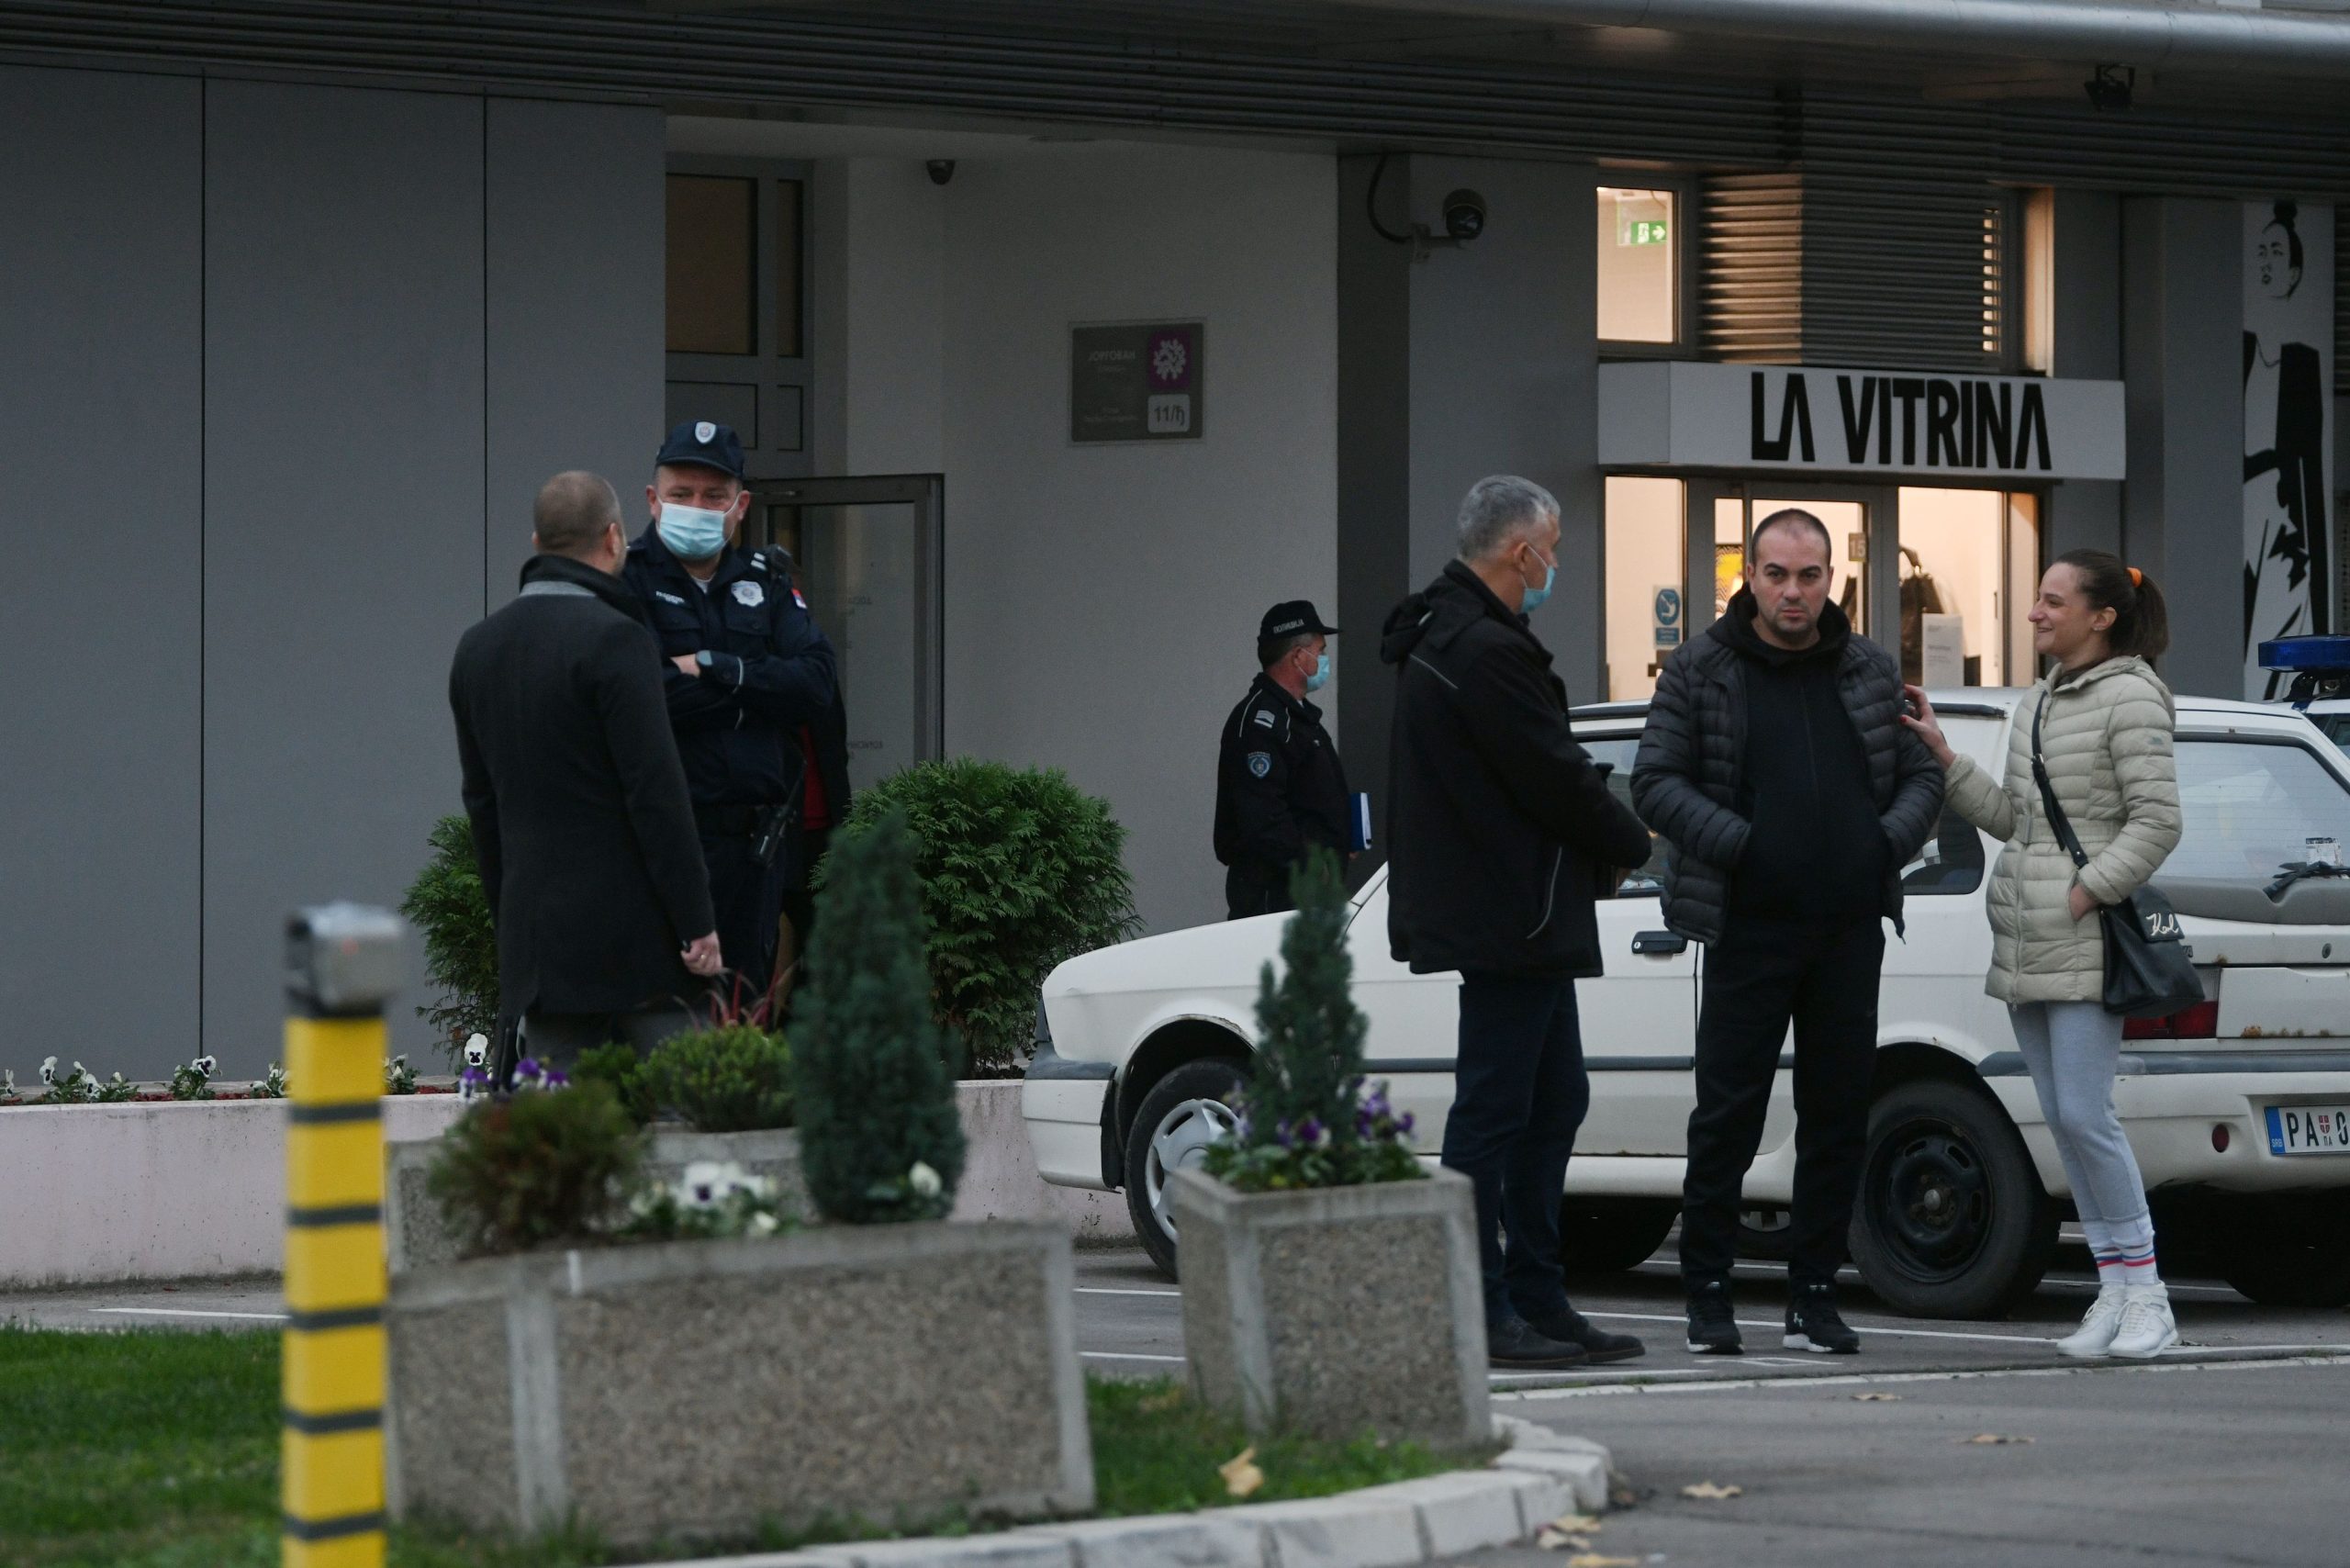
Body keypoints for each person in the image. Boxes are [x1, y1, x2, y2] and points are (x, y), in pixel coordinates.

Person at [1631, 509, 1942, 1357]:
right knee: (1726, 1116)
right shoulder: (1701, 667)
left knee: (1836, 1117)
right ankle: (1707, 1294)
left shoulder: (1870, 668)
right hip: (1747, 926)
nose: (1793, 592)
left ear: (1831, 579)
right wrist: (1743, 845)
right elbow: (1654, 781)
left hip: (1847, 928)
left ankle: (1814, 1296)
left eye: (1809, 576)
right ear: (1751, 576)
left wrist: (1882, 842)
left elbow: (1921, 774)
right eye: (1776, 575)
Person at [1382, 476, 1657, 1371]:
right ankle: (1483, 1306)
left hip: (1516, 909)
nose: (1555, 565)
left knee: (1551, 1100)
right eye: (1554, 548)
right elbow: (1552, 772)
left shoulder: (1455, 635)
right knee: (1498, 1111)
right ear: (1520, 552)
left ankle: (1536, 1296)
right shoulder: (1482, 649)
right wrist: (1633, 839)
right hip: (1512, 911)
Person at [1903, 551, 2183, 1359]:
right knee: (2062, 1120)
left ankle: (2149, 1295)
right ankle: (2114, 1288)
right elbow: (2014, 821)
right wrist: (1945, 758)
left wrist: (2087, 890)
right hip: (2029, 938)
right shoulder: (2041, 699)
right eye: (2038, 599)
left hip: (2080, 937)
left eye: (2054, 601)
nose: (2036, 613)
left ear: (2102, 616)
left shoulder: (2132, 695)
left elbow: (2158, 821)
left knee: (2087, 1118)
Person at [449, 472, 723, 1074]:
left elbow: (483, 807)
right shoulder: (618, 641)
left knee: (565, 1123)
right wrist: (696, 923)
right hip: (641, 952)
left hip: (544, 955)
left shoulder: (477, 649)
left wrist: (512, 929)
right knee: (682, 1109)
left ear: (537, 542)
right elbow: (656, 793)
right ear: (614, 537)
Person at [623, 420, 841, 1002]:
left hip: (753, 846)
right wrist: (759, 700)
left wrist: (718, 667)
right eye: (682, 494)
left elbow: (817, 684)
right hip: (663, 841)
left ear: (740, 507)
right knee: (660, 1013)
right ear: (653, 500)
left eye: (713, 496)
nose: (697, 508)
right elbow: (647, 696)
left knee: (740, 1012)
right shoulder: (626, 580)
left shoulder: (765, 583)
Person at [1214, 600, 1349, 919]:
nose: (1324, 660)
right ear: (1298, 656)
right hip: (1276, 893)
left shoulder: (1298, 717)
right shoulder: (1261, 722)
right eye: (1320, 651)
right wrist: (1311, 864)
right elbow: (1263, 817)